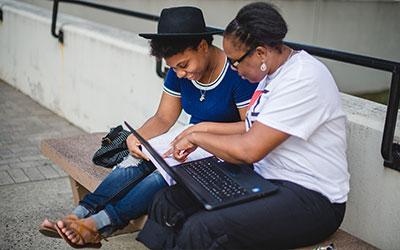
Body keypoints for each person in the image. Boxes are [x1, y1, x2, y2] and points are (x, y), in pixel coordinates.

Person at [136, 2, 350, 249]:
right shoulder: (270, 76)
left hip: (313, 199)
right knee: (167, 201)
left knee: (203, 228)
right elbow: (250, 127)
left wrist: (197, 138)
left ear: (260, 53)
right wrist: (195, 130)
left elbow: (250, 149)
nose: (233, 69)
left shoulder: (303, 78)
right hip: (265, 180)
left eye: (235, 62)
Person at [39, 6, 257, 248]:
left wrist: (201, 130)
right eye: (174, 67)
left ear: (203, 47)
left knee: (160, 176)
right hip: (190, 140)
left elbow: (250, 127)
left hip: (223, 151)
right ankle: (77, 215)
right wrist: (136, 137)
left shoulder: (237, 72)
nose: (180, 73)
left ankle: (98, 225)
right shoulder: (179, 71)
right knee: (134, 160)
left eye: (184, 65)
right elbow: (164, 118)